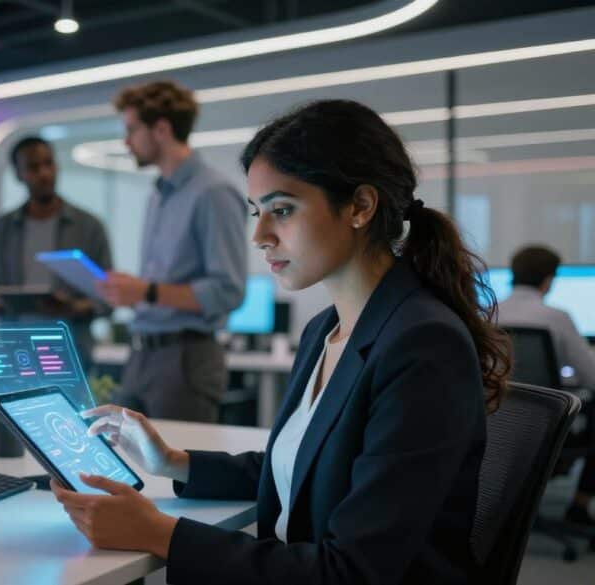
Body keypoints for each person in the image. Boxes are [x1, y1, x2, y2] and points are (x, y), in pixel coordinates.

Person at [51, 99, 512, 584]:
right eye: (257, 212)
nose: (260, 236)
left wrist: (162, 534)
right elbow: (307, 467)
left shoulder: (422, 344)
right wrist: (172, 462)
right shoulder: (326, 331)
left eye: (282, 210)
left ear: (359, 206)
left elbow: (353, 574)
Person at [102, 80, 246, 423]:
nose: (127, 141)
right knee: (128, 467)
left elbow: (228, 291)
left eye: (132, 129)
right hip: (142, 353)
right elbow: (163, 284)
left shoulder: (213, 193)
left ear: (162, 129)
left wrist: (145, 291)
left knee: (177, 474)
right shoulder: (157, 195)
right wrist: (134, 291)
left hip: (186, 359)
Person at [0, 136, 112, 367]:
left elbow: (109, 298)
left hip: (71, 354)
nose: (44, 173)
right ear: (19, 174)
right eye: (33, 167)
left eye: (49, 163)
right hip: (16, 354)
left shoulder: (89, 227)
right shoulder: (1, 230)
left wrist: (73, 307)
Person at [497, 244, 595, 526]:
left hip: (497, 418)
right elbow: (590, 378)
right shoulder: (556, 317)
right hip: (547, 423)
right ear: (549, 280)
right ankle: (579, 506)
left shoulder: (488, 311)